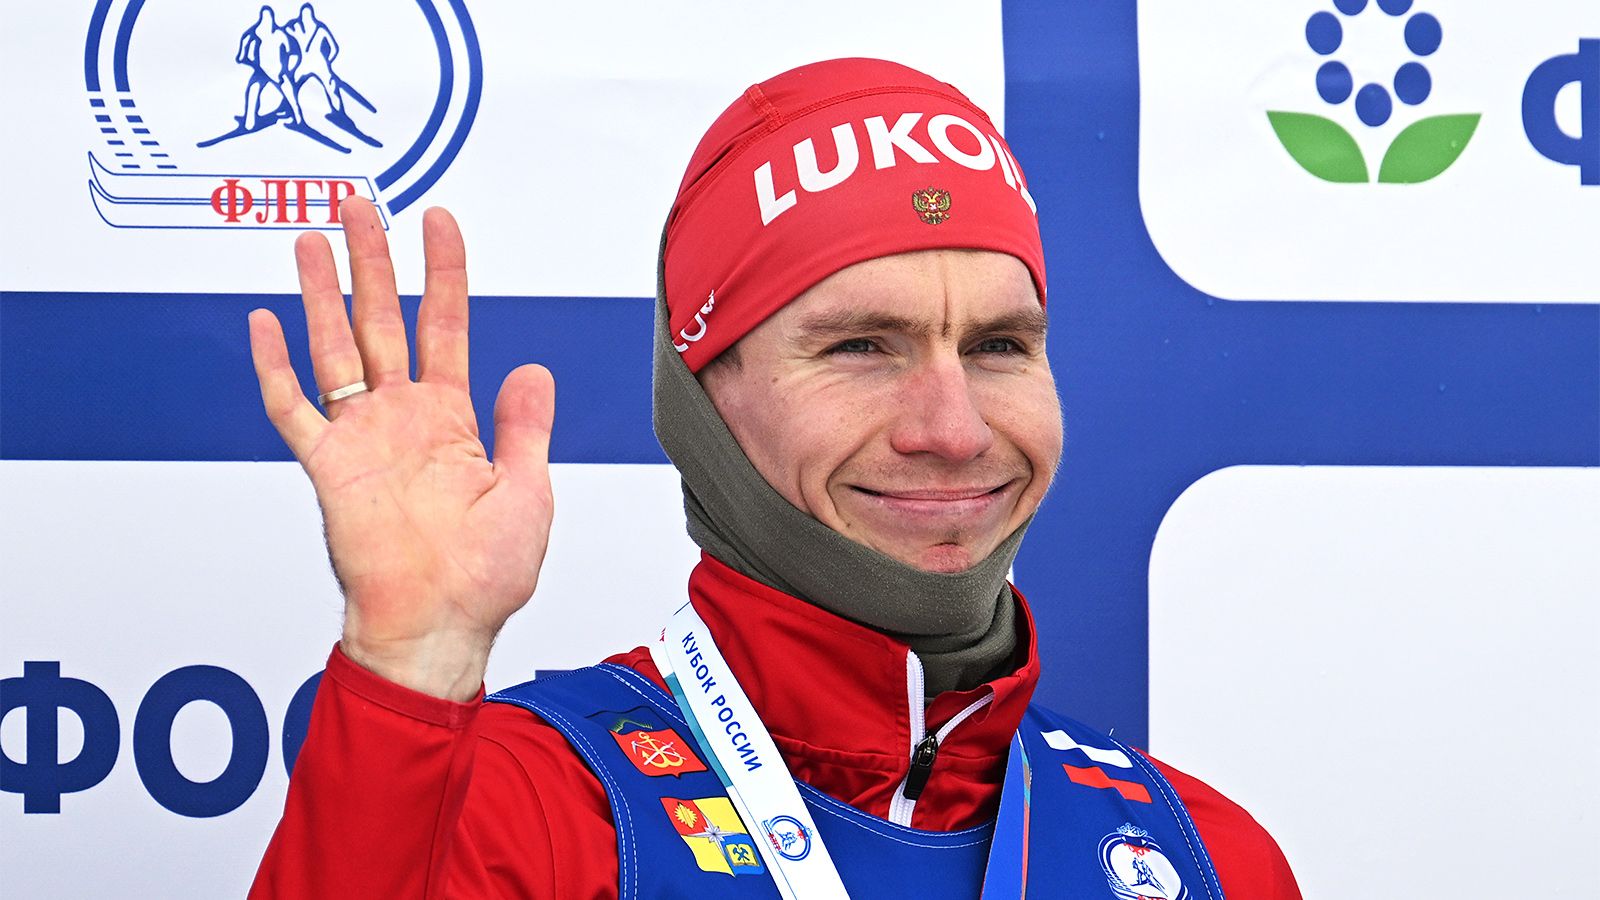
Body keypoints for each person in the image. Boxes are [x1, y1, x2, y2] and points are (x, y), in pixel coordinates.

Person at [247, 58, 1302, 898]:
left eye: (998, 346)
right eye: (861, 347)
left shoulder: (1202, 856)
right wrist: (413, 671)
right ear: (702, 399)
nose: (953, 429)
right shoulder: (537, 809)